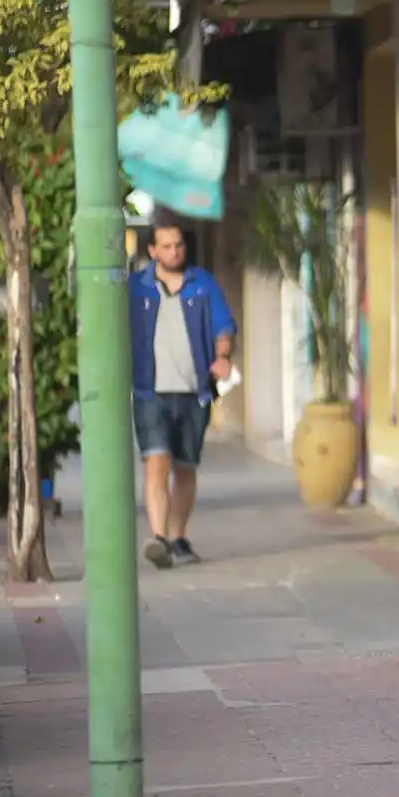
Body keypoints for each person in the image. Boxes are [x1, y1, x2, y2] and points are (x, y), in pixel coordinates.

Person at [128, 224, 237, 569]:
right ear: (152, 251)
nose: (174, 251)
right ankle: (158, 537)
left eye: (179, 245)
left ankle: (178, 538)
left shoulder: (202, 284)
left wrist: (222, 356)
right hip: (150, 392)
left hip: (194, 393)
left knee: (185, 469)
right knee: (156, 463)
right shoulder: (136, 288)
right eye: (166, 246)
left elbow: (223, 326)